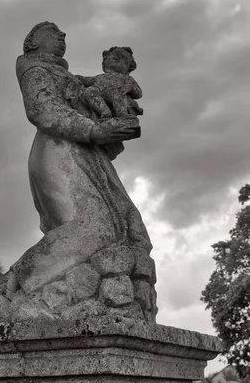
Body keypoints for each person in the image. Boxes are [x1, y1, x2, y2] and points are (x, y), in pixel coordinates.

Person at [15, 21, 151, 247]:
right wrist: (95, 130)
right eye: (53, 31)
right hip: (58, 150)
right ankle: (17, 281)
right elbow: (43, 110)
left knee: (132, 232)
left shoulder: (70, 76)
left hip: (87, 153)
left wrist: (112, 128)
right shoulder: (35, 70)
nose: (62, 34)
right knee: (92, 230)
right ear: (32, 42)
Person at [78, 46, 143, 120]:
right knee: (89, 91)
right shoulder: (99, 77)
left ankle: (122, 114)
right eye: (115, 58)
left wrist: (131, 88)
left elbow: (139, 93)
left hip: (115, 93)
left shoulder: (126, 78)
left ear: (129, 68)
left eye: (124, 62)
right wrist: (78, 77)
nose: (119, 62)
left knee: (117, 93)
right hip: (100, 92)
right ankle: (104, 111)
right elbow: (87, 80)